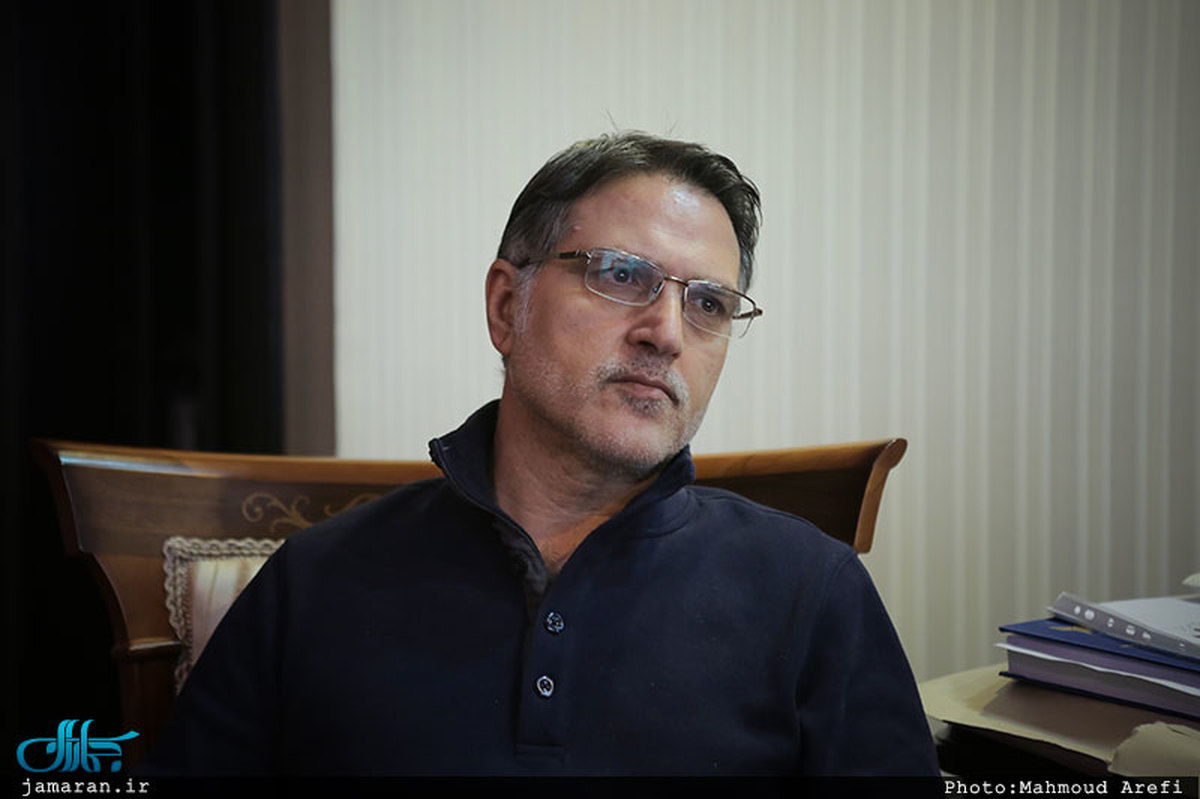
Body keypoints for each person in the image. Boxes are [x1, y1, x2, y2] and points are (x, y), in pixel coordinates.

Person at [145, 131, 939, 776]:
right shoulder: (315, 581)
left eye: (708, 303)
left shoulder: (813, 592)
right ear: (505, 305)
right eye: (622, 274)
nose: (666, 332)